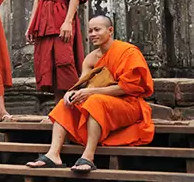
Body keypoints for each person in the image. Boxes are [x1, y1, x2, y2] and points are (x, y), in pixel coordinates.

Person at [26, 15, 154, 174]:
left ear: (110, 30)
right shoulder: (90, 59)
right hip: (101, 102)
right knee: (65, 104)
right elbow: (83, 84)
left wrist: (90, 92)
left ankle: (88, 156)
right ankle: (53, 154)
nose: (92, 34)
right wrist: (72, 93)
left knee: (94, 101)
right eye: (90, 30)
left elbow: (128, 88)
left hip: (129, 105)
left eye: (97, 30)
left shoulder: (127, 52)